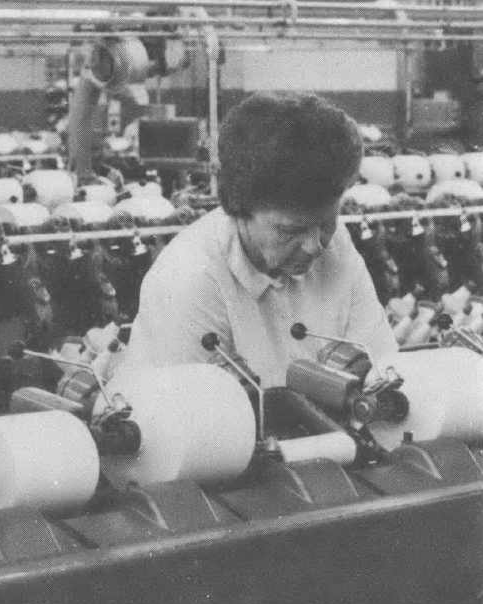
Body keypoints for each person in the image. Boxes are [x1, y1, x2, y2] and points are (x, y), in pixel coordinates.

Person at [122, 92, 396, 387]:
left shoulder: (335, 242)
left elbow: (382, 369)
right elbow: (190, 420)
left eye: (327, 222)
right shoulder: (188, 278)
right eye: (290, 231)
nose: (315, 246)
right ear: (239, 208)